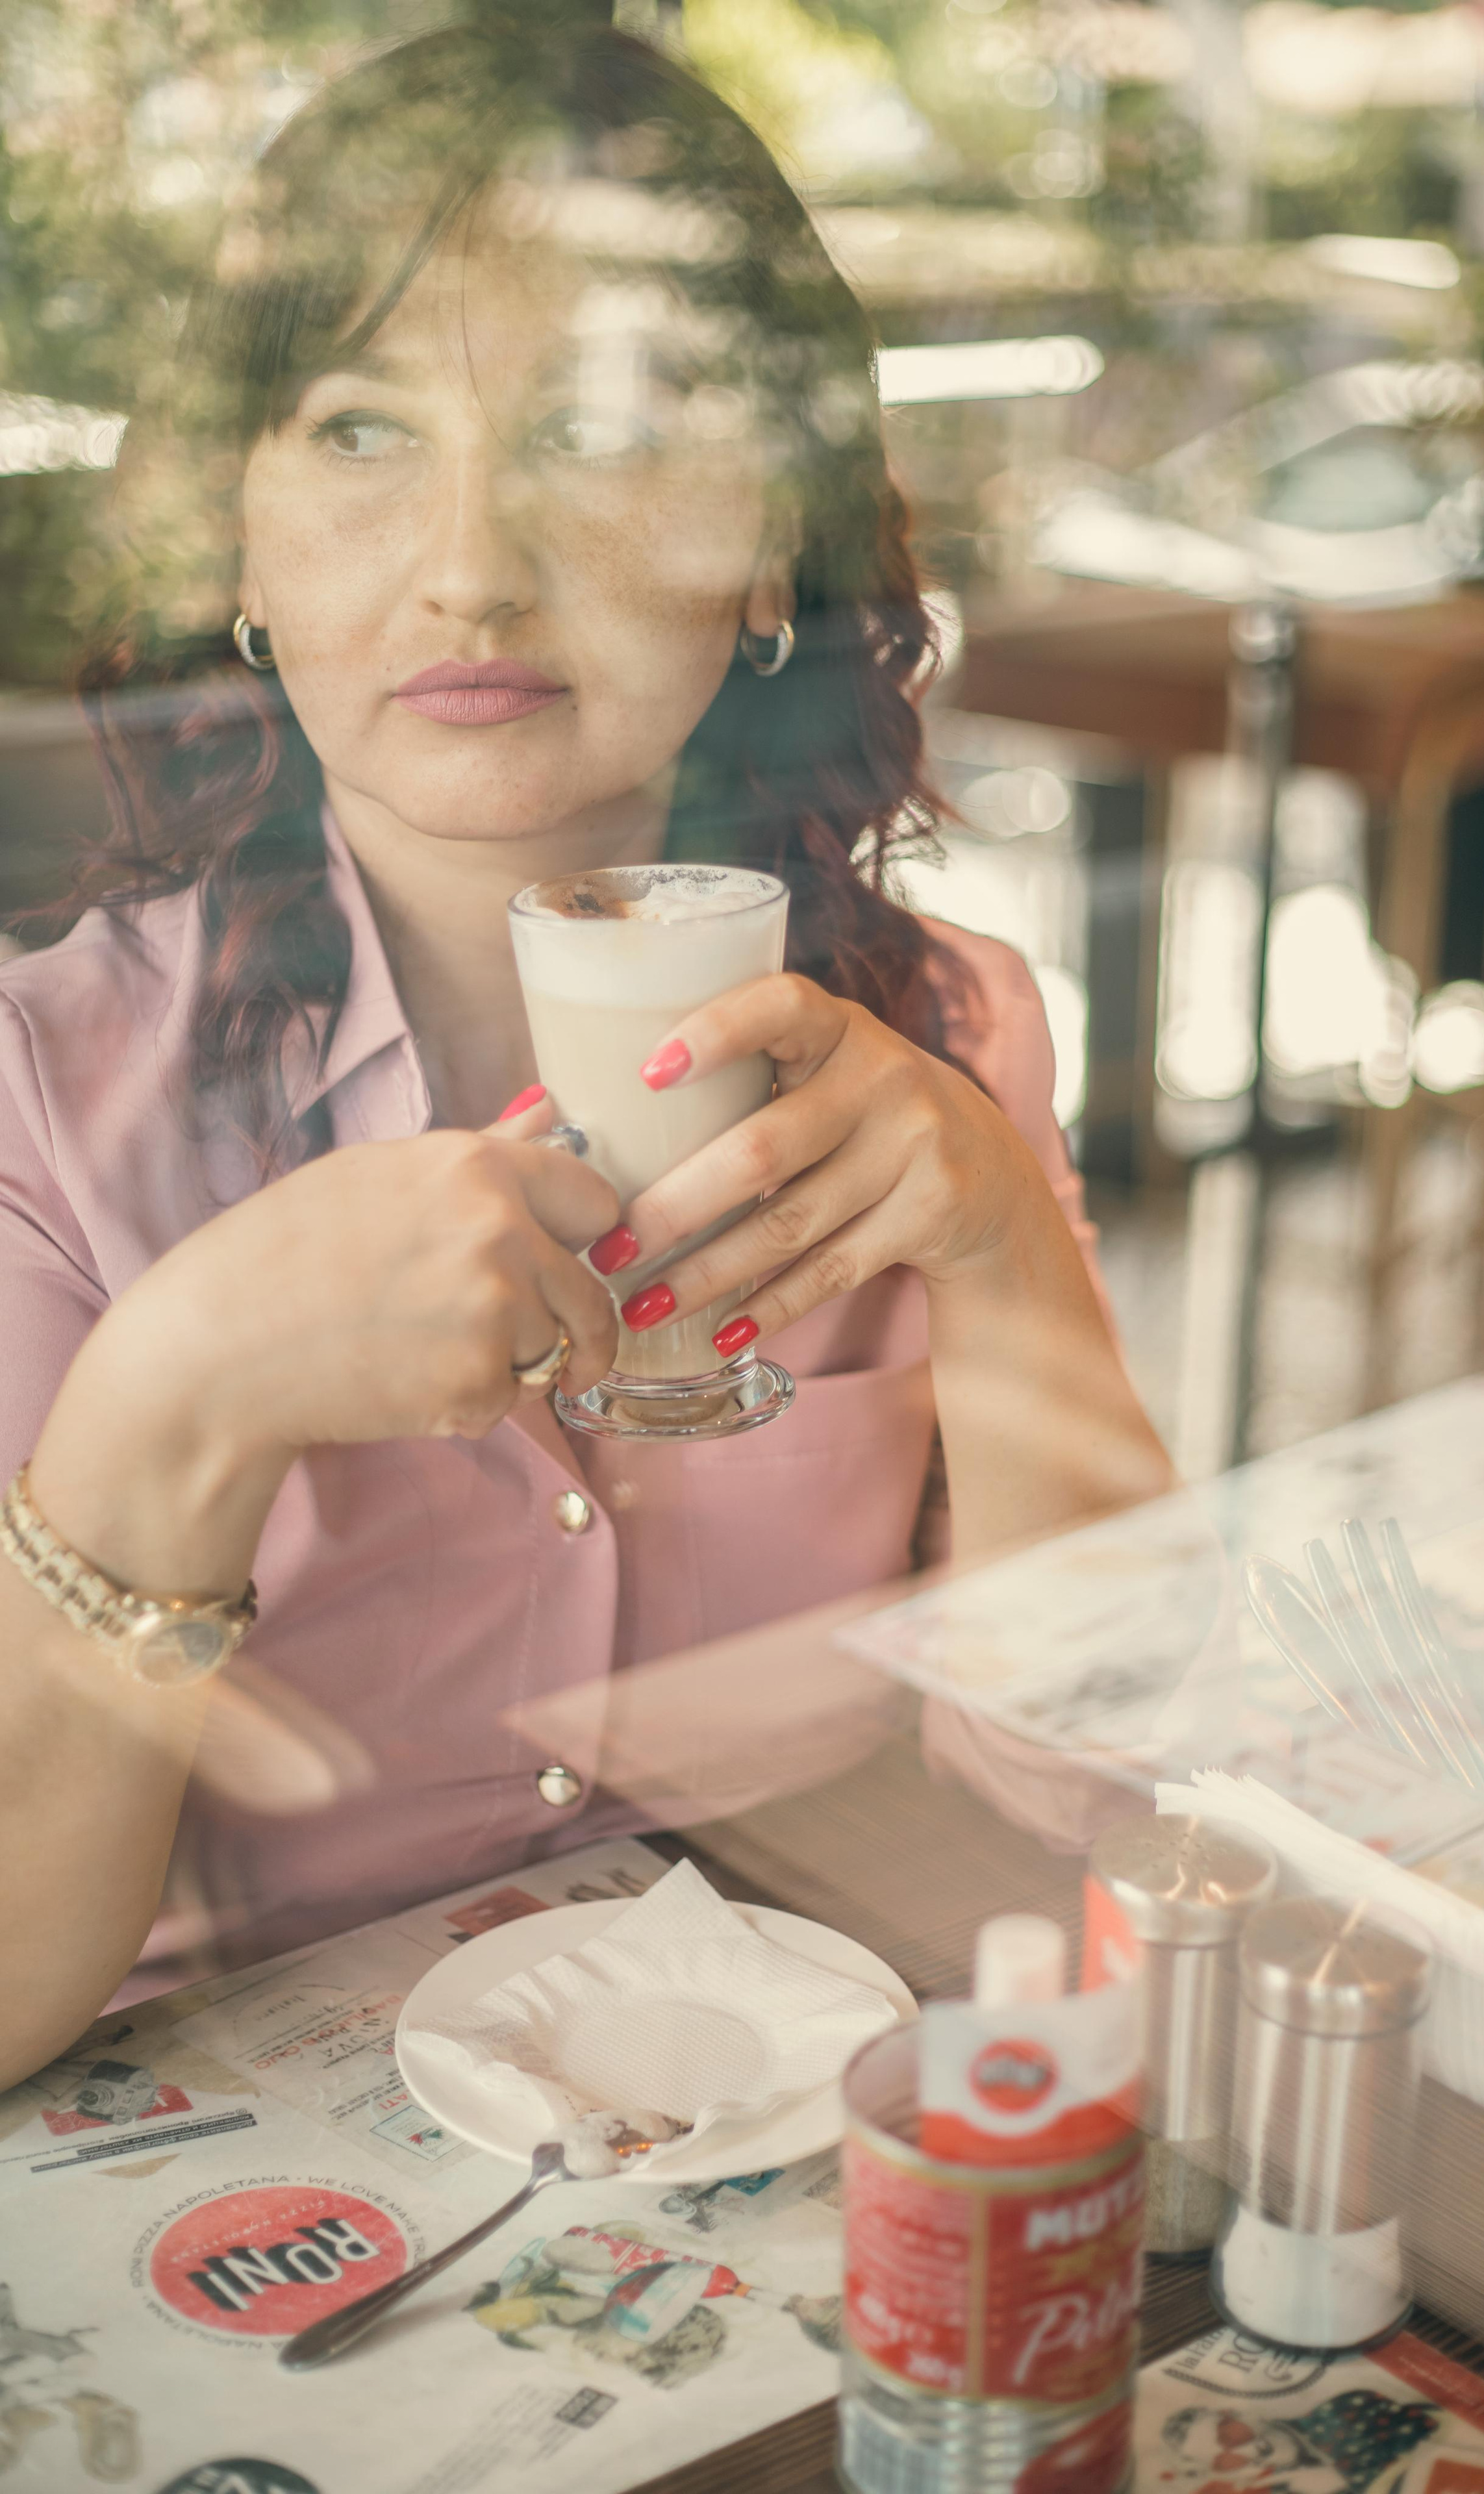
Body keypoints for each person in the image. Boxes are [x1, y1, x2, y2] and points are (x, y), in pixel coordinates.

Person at [0, 3, 1171, 2086]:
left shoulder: (948, 1032)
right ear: (241, 553)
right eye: (360, 433)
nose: (470, 567)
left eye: (608, 426)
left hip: (774, 2113)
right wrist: (171, 1398)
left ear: (772, 551)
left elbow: (1098, 1771)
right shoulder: (40, 1098)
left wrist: (999, 1247)